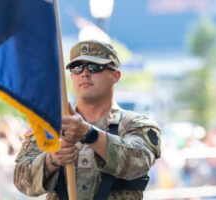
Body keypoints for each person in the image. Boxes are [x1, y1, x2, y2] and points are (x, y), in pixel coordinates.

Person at [13, 40, 161, 200]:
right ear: (72, 76)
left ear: (115, 76)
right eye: (77, 68)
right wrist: (51, 160)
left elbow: (139, 163)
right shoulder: (50, 127)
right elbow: (21, 181)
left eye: (94, 67)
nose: (85, 73)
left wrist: (90, 134)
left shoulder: (137, 125)